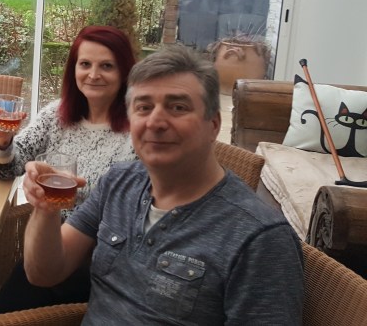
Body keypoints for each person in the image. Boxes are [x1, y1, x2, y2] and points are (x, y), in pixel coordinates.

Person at [22, 45, 304, 324]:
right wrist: (45, 209)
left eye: (178, 107)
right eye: (143, 107)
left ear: (214, 125)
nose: (155, 121)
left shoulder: (258, 237)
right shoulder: (119, 182)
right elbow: (44, 273)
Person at [0, 25, 137, 312]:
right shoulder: (57, 114)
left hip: (97, 267)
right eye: (85, 64)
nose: (93, 74)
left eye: (107, 65)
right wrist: (4, 142)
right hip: (46, 246)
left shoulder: (135, 132)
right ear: (74, 70)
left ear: (124, 72)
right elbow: (10, 168)